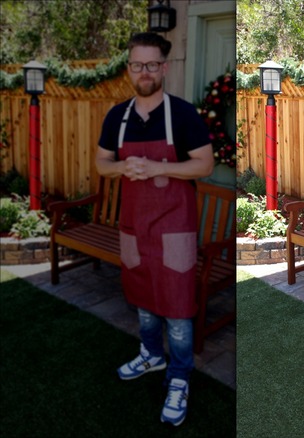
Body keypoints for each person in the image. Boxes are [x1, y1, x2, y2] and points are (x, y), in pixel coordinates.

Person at [95, 32, 214, 427]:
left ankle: (179, 376)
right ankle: (151, 354)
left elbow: (204, 165)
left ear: (163, 68)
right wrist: (121, 168)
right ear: (129, 68)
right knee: (144, 300)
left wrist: (160, 167)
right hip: (134, 227)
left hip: (174, 228)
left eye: (151, 64)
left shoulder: (181, 114)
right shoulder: (118, 116)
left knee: (178, 311)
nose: (143, 72)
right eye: (137, 65)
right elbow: (101, 164)